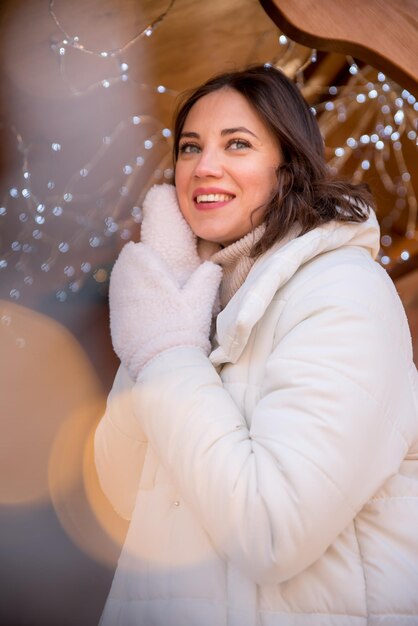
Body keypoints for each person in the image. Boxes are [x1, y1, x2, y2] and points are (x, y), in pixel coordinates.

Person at [95, 65, 418, 626]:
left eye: (237, 144)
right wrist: (159, 324)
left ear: (288, 166)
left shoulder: (341, 290)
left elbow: (274, 531)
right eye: (190, 147)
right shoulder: (193, 304)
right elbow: (124, 497)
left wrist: (168, 352)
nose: (204, 167)